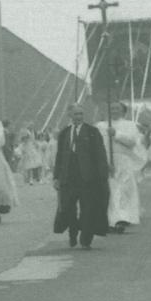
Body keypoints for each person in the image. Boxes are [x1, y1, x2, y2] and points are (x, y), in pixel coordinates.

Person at [53, 103, 110, 250]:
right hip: (68, 177)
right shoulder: (64, 133)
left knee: (88, 209)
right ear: (69, 115)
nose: (78, 117)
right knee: (68, 208)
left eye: (81, 114)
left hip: (87, 178)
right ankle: (72, 232)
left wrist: (102, 175)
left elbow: (100, 154)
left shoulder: (92, 131)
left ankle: (86, 239)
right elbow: (59, 156)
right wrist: (56, 177)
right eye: (75, 114)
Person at [96, 102, 145, 234]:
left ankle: (125, 217)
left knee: (124, 189)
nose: (114, 110)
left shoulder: (130, 125)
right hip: (107, 160)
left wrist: (116, 134)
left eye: (117, 108)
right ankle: (113, 219)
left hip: (124, 160)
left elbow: (132, 142)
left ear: (123, 111)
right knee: (111, 189)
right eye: (111, 108)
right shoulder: (101, 125)